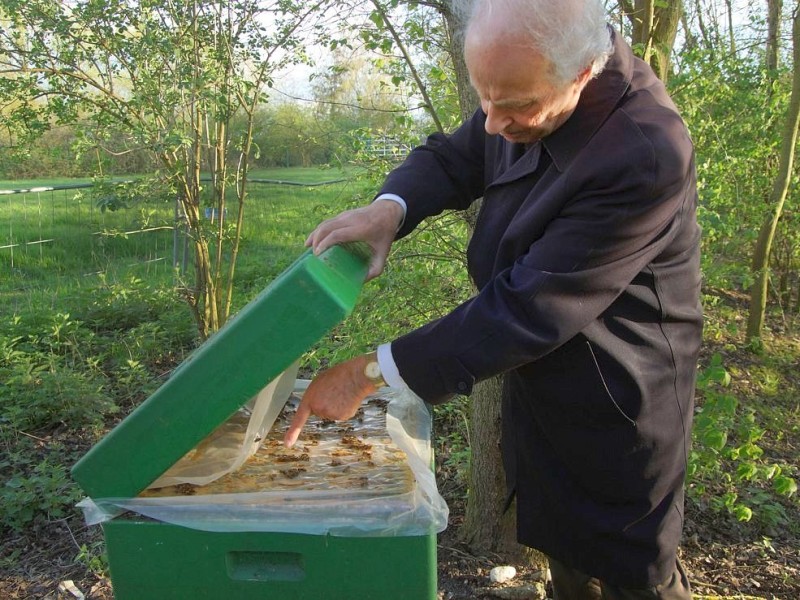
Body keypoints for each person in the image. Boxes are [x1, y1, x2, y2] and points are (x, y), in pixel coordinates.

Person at [284, 0, 702, 597]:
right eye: (485, 99)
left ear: (584, 71)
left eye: (514, 107)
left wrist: (367, 374)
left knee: (632, 571)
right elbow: (457, 156)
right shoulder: (524, 85)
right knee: (569, 557)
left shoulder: (642, 150)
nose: (491, 123)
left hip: (620, 397)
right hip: (546, 383)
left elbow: (526, 309)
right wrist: (389, 209)